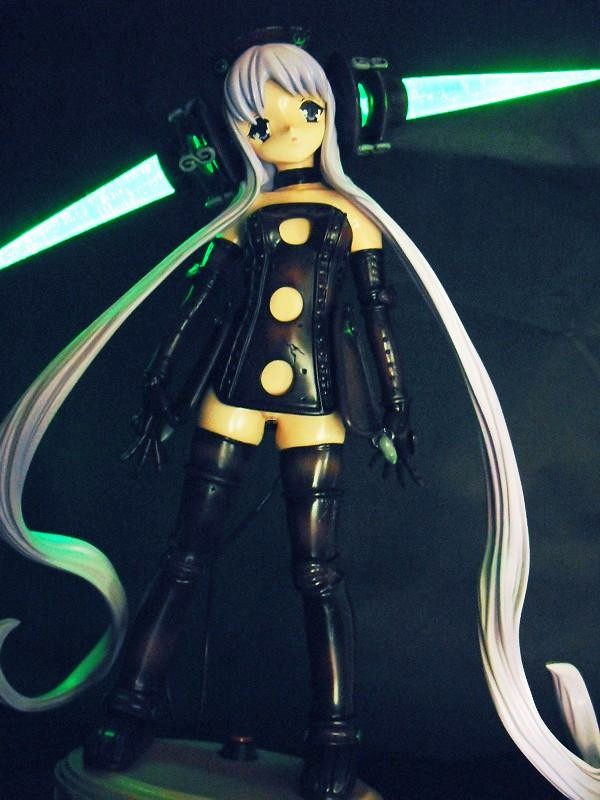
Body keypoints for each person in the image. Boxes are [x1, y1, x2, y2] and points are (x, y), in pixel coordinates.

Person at [1, 38, 597, 800]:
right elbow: (195, 313)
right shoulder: (240, 220)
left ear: (334, 113)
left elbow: (378, 323)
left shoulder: (354, 220)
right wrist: (161, 396)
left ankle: (335, 739)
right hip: (230, 396)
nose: (285, 132)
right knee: (183, 558)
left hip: (316, 410)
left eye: (305, 111)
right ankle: (129, 710)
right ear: (235, 137)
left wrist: (395, 415)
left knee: (318, 573)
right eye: (261, 124)